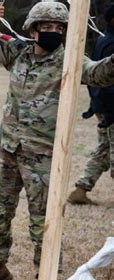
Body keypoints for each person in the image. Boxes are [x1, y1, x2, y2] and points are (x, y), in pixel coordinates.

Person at [0, 1, 114, 280]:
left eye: (59, 28)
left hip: (44, 155)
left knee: (44, 221)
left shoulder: (69, 60)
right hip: (7, 149)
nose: (53, 32)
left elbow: (100, 74)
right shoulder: (18, 53)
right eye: (46, 27)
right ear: (33, 29)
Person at [67, 4, 114, 205]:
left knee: (103, 149)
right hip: (110, 107)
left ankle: (81, 188)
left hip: (103, 105)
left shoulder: (103, 39)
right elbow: (104, 79)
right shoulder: (110, 43)